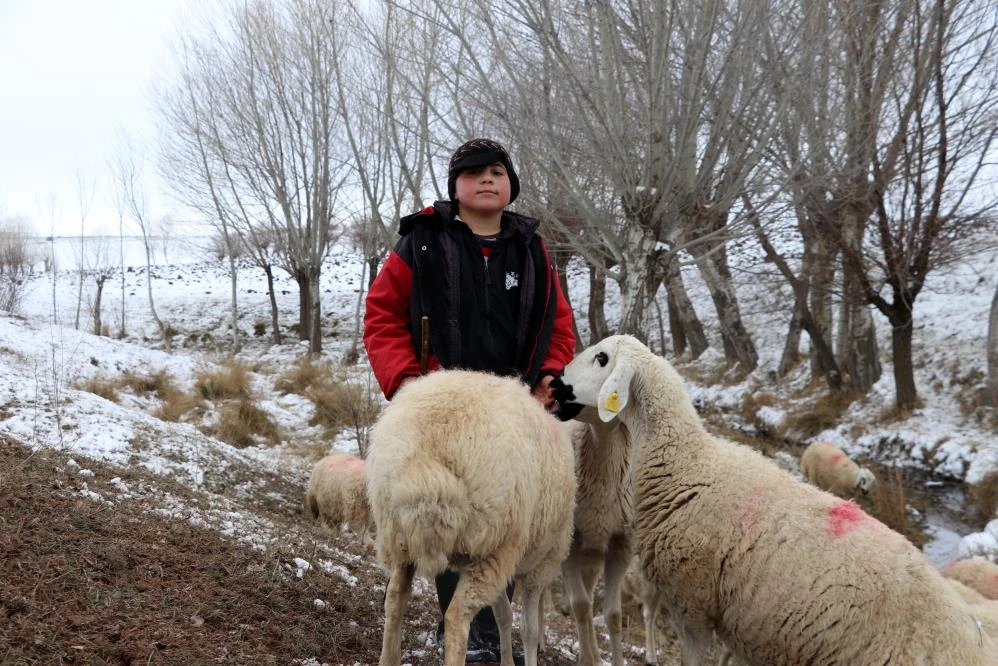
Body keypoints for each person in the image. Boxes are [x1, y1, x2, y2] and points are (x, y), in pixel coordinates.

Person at [363, 138, 576, 663]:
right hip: (442, 409)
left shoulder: (530, 248)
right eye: (474, 172)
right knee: (446, 509)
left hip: (509, 412)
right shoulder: (423, 242)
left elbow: (558, 323)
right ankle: (469, 634)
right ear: (454, 185)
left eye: (497, 172)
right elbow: (382, 315)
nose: (487, 180)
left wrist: (548, 376)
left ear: (511, 185)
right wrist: (407, 383)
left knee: (501, 517)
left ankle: (483, 629)